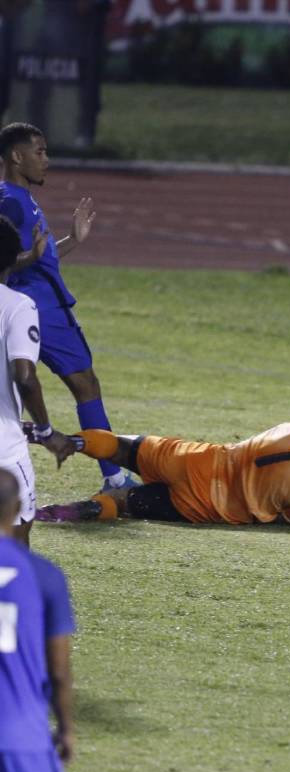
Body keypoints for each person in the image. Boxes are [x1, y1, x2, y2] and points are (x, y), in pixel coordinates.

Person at [0, 121, 136, 493]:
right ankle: (115, 477)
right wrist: (31, 258)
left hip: (31, 307)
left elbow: (37, 257)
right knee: (85, 386)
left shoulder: (18, 196)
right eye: (39, 152)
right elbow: (11, 260)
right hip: (42, 312)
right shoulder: (11, 201)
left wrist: (71, 241)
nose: (47, 160)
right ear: (16, 155)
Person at [35, 419, 290, 525]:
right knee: (122, 502)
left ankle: (55, 438)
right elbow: (279, 520)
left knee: (118, 446)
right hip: (204, 503)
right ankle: (56, 514)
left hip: (197, 459)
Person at [0, 215, 78, 546]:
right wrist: (45, 431)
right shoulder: (17, 306)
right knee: (15, 546)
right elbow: (25, 378)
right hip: (4, 449)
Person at [0, 468, 74, 772]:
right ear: (16, 510)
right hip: (21, 740)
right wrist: (67, 728)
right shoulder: (44, 575)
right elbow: (59, 672)